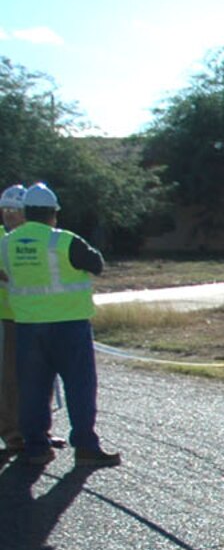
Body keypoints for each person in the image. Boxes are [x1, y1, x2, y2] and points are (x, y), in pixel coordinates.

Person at [7, 182, 119, 468]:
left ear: (26, 212)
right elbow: (96, 264)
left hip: (27, 326)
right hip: (69, 326)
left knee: (32, 390)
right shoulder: (64, 240)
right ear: (53, 214)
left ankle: (36, 448)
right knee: (80, 387)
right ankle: (85, 446)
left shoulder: (7, 243)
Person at [0, 183, 23, 453]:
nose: (8, 214)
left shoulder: (34, 240)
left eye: (14, 210)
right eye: (5, 209)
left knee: (37, 376)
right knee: (9, 378)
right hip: (6, 316)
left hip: (33, 316)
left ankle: (37, 430)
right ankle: (11, 433)